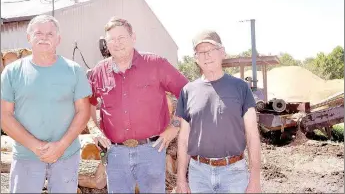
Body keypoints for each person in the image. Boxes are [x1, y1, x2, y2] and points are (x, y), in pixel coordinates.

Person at [88, 17, 188, 193]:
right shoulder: (99, 71)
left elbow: (188, 93)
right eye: (111, 39)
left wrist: (175, 125)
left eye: (122, 38)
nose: (117, 43)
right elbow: (87, 104)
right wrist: (94, 129)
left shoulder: (156, 64)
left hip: (151, 150)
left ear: (133, 37)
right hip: (115, 153)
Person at [1, 15, 92, 193]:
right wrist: (35, 146)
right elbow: (4, 115)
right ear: (29, 38)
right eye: (38, 33)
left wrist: (61, 146)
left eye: (50, 34)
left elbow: (83, 111)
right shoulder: (12, 72)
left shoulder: (73, 70)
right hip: (26, 155)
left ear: (59, 39)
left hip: (66, 155)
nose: (44, 37)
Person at [175, 30, 261, 193]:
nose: (206, 56)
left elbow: (252, 135)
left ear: (222, 52)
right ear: (196, 58)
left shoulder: (241, 88)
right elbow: (184, 139)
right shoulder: (188, 91)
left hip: (234, 173)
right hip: (198, 174)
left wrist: (255, 179)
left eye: (211, 50)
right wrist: (181, 179)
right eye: (201, 52)